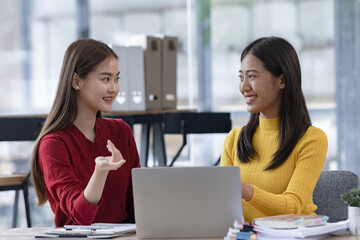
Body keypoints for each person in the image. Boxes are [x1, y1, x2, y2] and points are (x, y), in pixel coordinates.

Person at [30, 39, 140, 227]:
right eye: (105, 79)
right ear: (76, 81)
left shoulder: (121, 131)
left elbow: (135, 203)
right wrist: (100, 172)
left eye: (116, 79)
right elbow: (81, 217)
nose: (114, 88)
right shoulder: (53, 145)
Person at [221, 36, 328, 223]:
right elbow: (221, 206)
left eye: (252, 76)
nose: (243, 87)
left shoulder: (311, 139)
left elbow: (292, 206)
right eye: (241, 77)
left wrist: (245, 190)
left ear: (282, 81)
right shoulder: (234, 139)